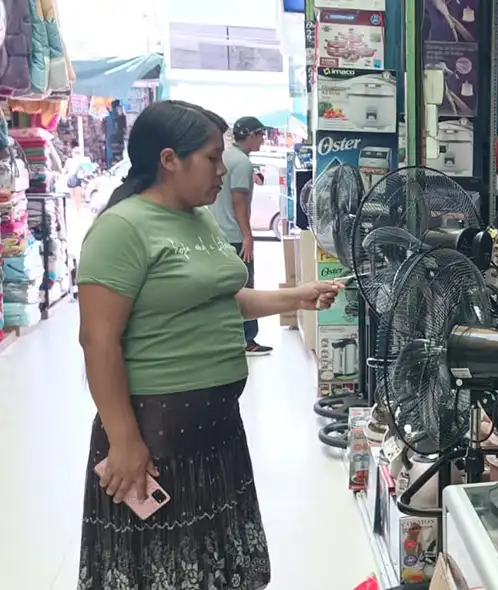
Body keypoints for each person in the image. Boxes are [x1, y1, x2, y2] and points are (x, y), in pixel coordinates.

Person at [76, 100, 342, 590]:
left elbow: (221, 300)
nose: (223, 170)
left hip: (215, 429)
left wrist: (296, 297)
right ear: (169, 159)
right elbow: (98, 340)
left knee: (213, 567)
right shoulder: (122, 228)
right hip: (157, 432)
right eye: (212, 158)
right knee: (163, 569)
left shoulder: (197, 219)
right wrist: (124, 439)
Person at [207, 116, 273, 356]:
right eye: (261, 135)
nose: (263, 139)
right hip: (234, 236)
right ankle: (247, 339)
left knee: (223, 289)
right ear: (251, 135)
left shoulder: (225, 156)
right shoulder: (242, 163)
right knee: (245, 286)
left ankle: (225, 336)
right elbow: (239, 201)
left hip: (216, 233)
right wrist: (248, 236)